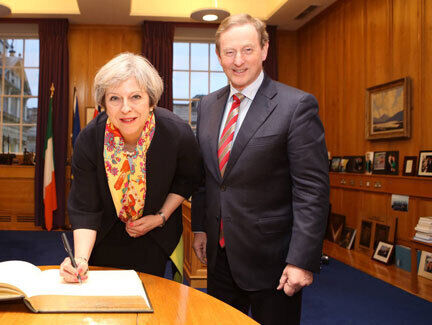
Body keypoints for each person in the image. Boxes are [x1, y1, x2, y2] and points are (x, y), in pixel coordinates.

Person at [191, 14, 329, 325]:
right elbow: (207, 177)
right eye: (229, 52)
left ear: (264, 49)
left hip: (274, 264)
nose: (238, 61)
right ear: (219, 56)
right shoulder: (208, 105)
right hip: (219, 257)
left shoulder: (296, 106)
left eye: (248, 50)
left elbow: (312, 191)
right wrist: (200, 227)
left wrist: (301, 260)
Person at [60, 53, 202, 282]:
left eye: (135, 96)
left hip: (156, 233)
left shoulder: (177, 133)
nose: (126, 108)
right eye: (115, 98)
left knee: (152, 299)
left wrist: (161, 217)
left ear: (151, 100)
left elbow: (187, 179)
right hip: (103, 235)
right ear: (104, 103)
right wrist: (81, 259)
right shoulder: (89, 139)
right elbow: (85, 207)